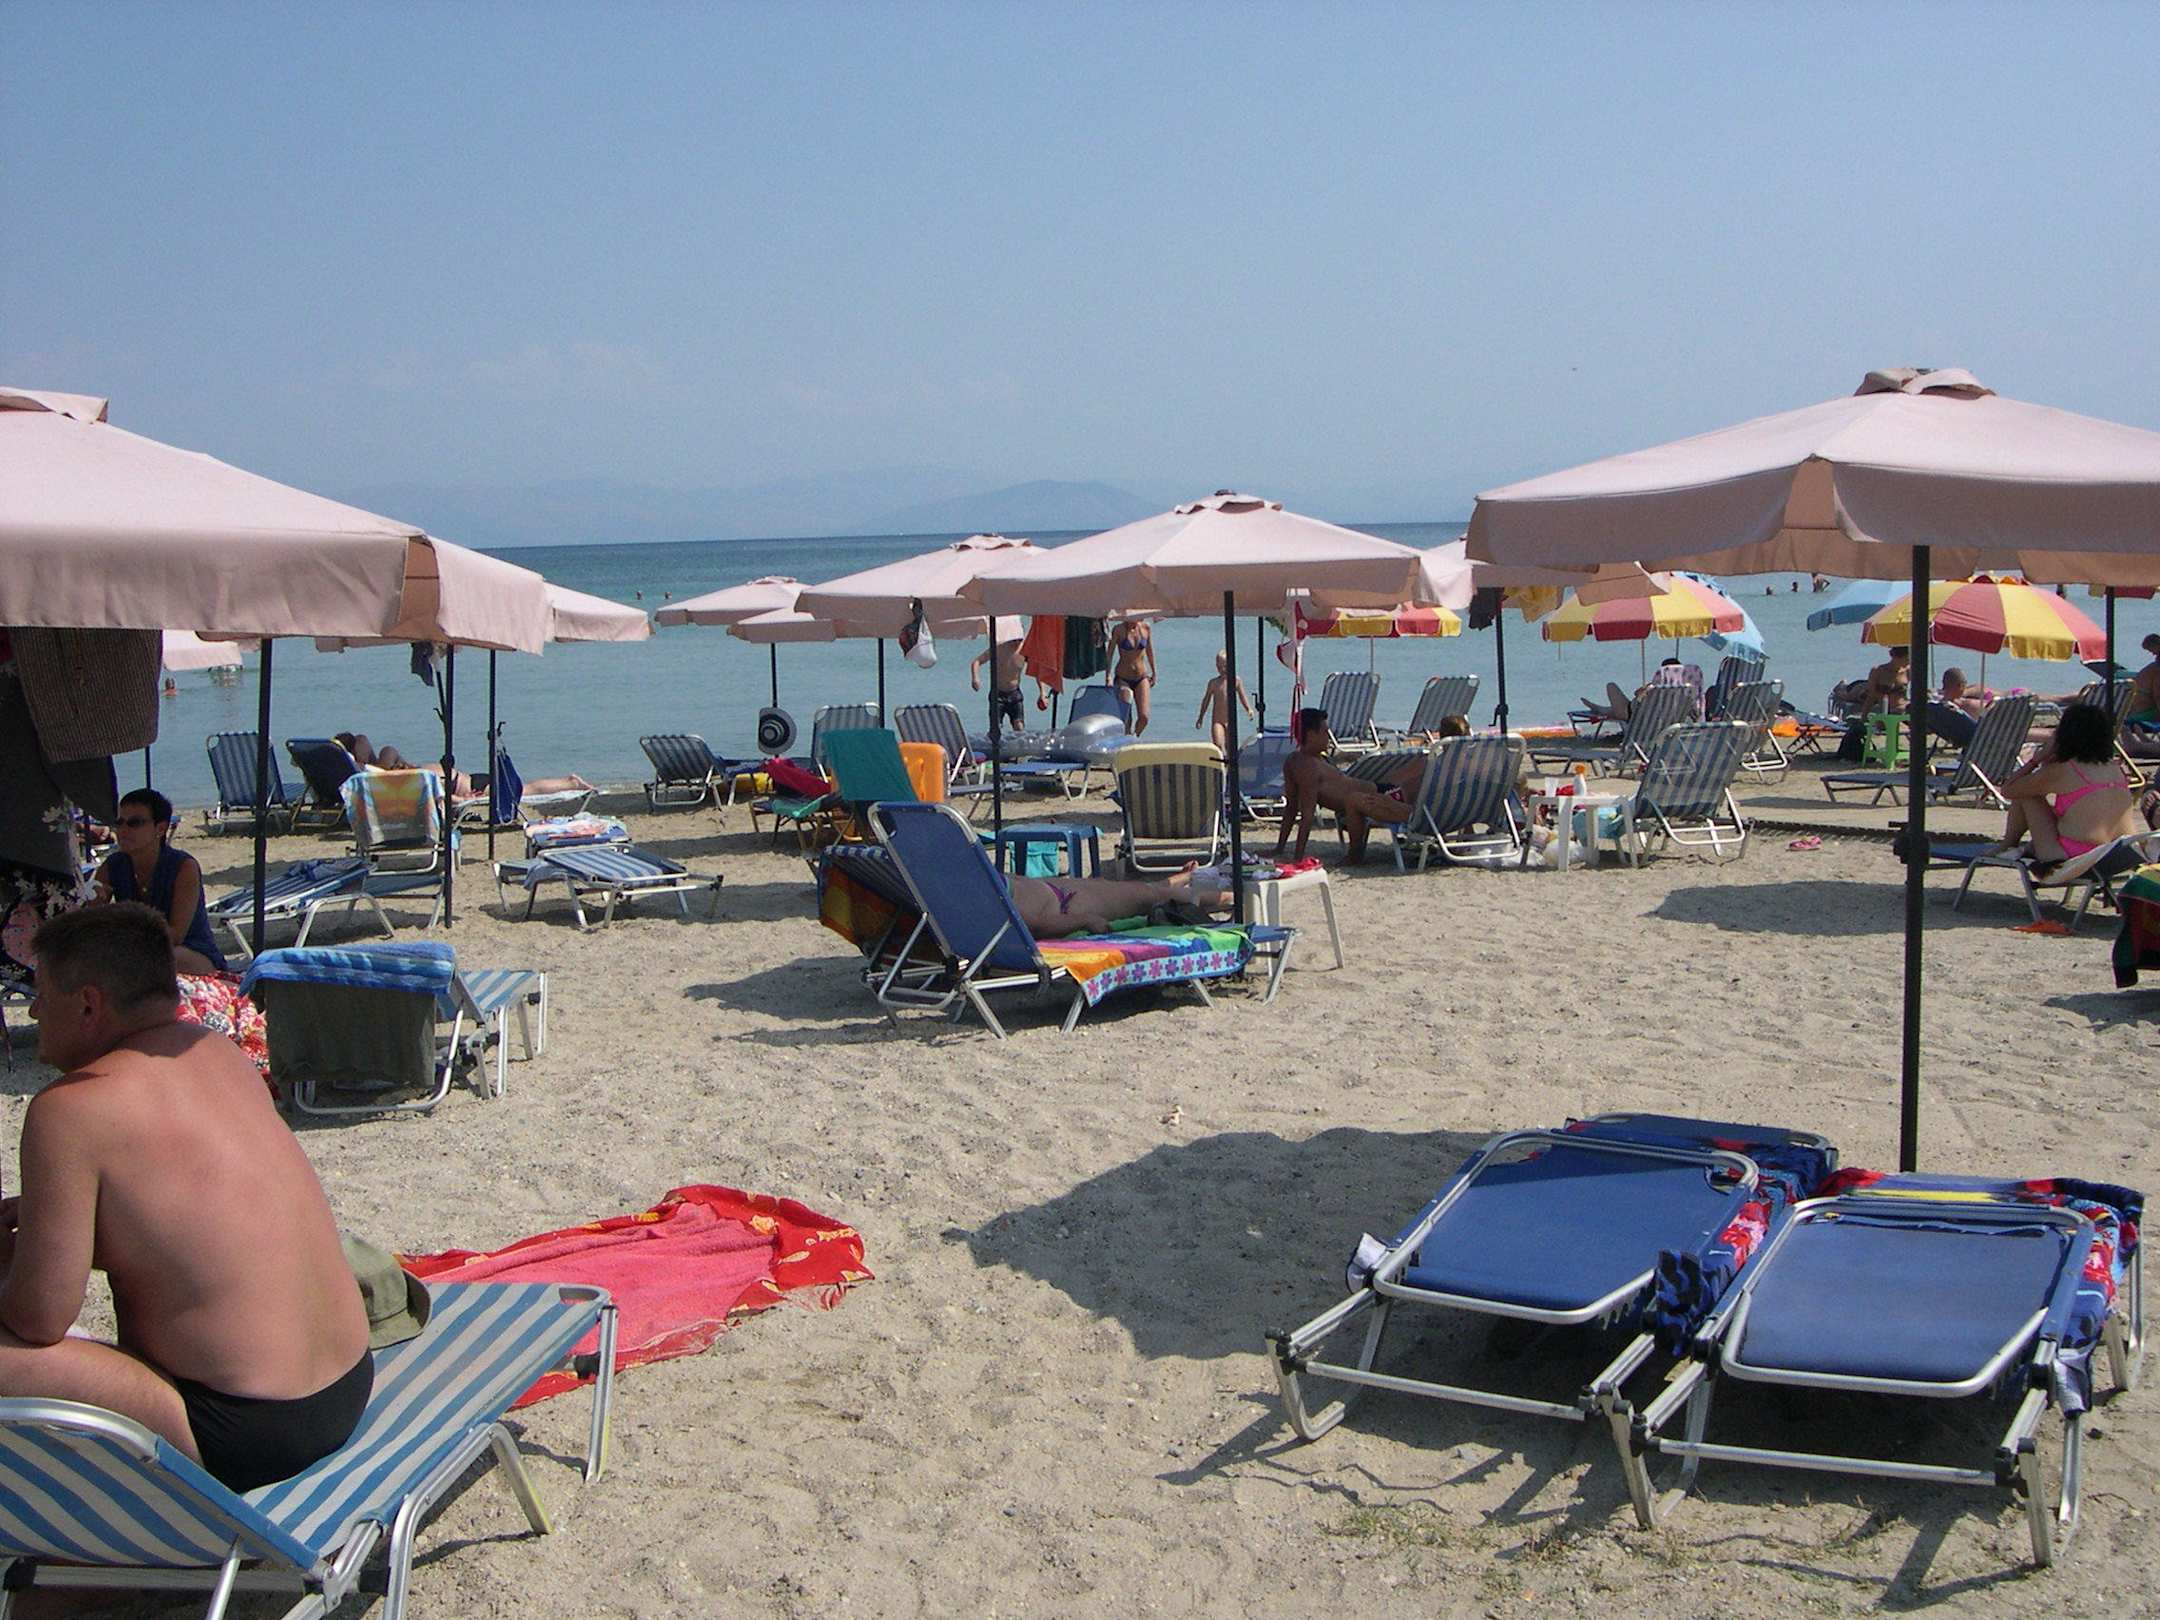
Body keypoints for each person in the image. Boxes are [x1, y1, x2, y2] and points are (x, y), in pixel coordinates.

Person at [4, 904, 372, 1490]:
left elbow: (39, 1318)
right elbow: (190, 1217)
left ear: (89, 1004)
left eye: (42, 994)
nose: (33, 1011)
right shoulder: (215, 1051)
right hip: (346, 1384)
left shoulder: (68, 1110)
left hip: (241, 1429)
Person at [1990, 701, 2142, 869]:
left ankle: (2008, 844)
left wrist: (2037, 759)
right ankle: (2016, 846)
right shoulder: (2115, 768)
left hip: (2075, 859)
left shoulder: (2065, 770)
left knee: (2026, 794)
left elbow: (2009, 789)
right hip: (2119, 857)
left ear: (2064, 735)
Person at [93, 789, 225, 975]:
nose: (123, 830)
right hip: (138, 952)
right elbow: (90, 925)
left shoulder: (183, 867)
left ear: (160, 829)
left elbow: (175, 936)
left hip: (190, 953)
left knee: (154, 958)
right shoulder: (113, 865)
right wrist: (95, 905)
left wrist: (122, 926)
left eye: (135, 823)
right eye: (119, 822)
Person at [1275, 708, 1418, 864]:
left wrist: (1282, 850)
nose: (1329, 737)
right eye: (1325, 732)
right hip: (1379, 798)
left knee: (1416, 769)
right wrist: (1296, 858)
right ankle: (1354, 856)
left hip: (1384, 795)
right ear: (1311, 735)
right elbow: (1304, 814)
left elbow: (1293, 809)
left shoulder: (1297, 761)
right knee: (1411, 775)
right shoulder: (1308, 767)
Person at [1006, 864, 1223, 939]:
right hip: (1066, 907)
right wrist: (1085, 920)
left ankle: (1181, 879)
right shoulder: (991, 902)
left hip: (1053, 891)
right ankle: (1233, 896)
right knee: (1149, 896)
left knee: (1133, 890)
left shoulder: (984, 887)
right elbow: (1032, 926)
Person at [1193, 651, 1253, 754]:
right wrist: (1201, 717)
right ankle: (1221, 761)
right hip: (1218, 721)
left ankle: (1230, 763)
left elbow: (1242, 697)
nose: (1222, 670)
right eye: (1219, 667)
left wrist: (1249, 709)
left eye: (1225, 666)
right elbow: (1206, 701)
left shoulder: (1236, 681)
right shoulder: (1213, 683)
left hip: (1231, 721)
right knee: (1218, 745)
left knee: (1231, 747)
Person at [969, 635, 1027, 731]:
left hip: (1014, 693)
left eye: (1019, 640)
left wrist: (1043, 692)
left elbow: (1037, 668)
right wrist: (975, 678)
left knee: (1019, 726)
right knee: (996, 727)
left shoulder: (1025, 650)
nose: (1017, 643)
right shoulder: (998, 648)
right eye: (1014, 640)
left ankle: (1018, 740)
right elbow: (977, 661)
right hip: (997, 694)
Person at [1111, 617, 1157, 736]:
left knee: (1144, 717)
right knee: (1126, 717)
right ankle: (1126, 739)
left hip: (1141, 677)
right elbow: (1109, 653)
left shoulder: (1145, 628)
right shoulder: (1119, 629)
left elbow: (1149, 651)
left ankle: (1134, 738)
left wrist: (1154, 672)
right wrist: (1108, 676)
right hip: (1123, 678)